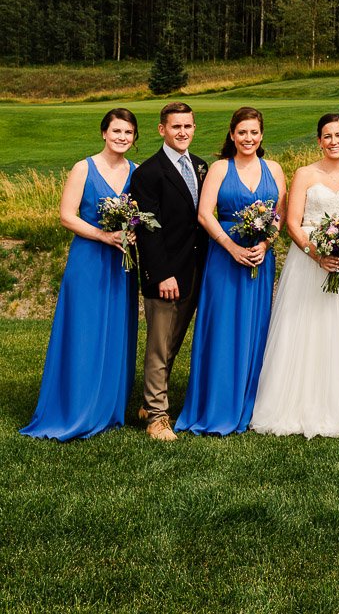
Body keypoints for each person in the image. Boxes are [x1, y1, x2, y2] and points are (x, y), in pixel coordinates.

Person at [250, 113, 339, 438]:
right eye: (327, 136)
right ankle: (293, 400)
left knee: (337, 327)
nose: (333, 141)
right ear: (319, 141)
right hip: (307, 260)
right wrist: (317, 254)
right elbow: (292, 222)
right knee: (303, 326)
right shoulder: (304, 173)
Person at [21, 108, 140, 440]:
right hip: (88, 260)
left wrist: (133, 232)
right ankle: (75, 407)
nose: (122, 137)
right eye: (116, 131)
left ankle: (109, 408)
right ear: (104, 133)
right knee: (83, 331)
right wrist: (103, 236)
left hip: (121, 265)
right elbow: (66, 216)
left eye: (128, 133)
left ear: (134, 138)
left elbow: (141, 217)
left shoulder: (138, 172)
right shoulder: (83, 168)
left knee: (117, 331)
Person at [175, 107, 287, 435]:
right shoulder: (221, 168)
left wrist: (265, 245)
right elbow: (204, 214)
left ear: (262, 135)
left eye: (254, 132)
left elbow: (278, 214)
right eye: (242, 132)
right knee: (222, 328)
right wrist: (231, 247)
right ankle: (215, 405)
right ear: (232, 134)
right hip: (224, 259)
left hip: (259, 261)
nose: (248, 138)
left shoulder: (276, 169)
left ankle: (248, 404)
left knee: (255, 329)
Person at [130, 101, 208, 442]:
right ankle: (157, 418)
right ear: (162, 129)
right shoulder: (148, 173)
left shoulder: (202, 166)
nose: (183, 132)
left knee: (173, 343)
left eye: (188, 126)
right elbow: (148, 229)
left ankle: (150, 402)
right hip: (165, 274)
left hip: (195, 270)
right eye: (176, 126)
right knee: (159, 345)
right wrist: (161, 274)